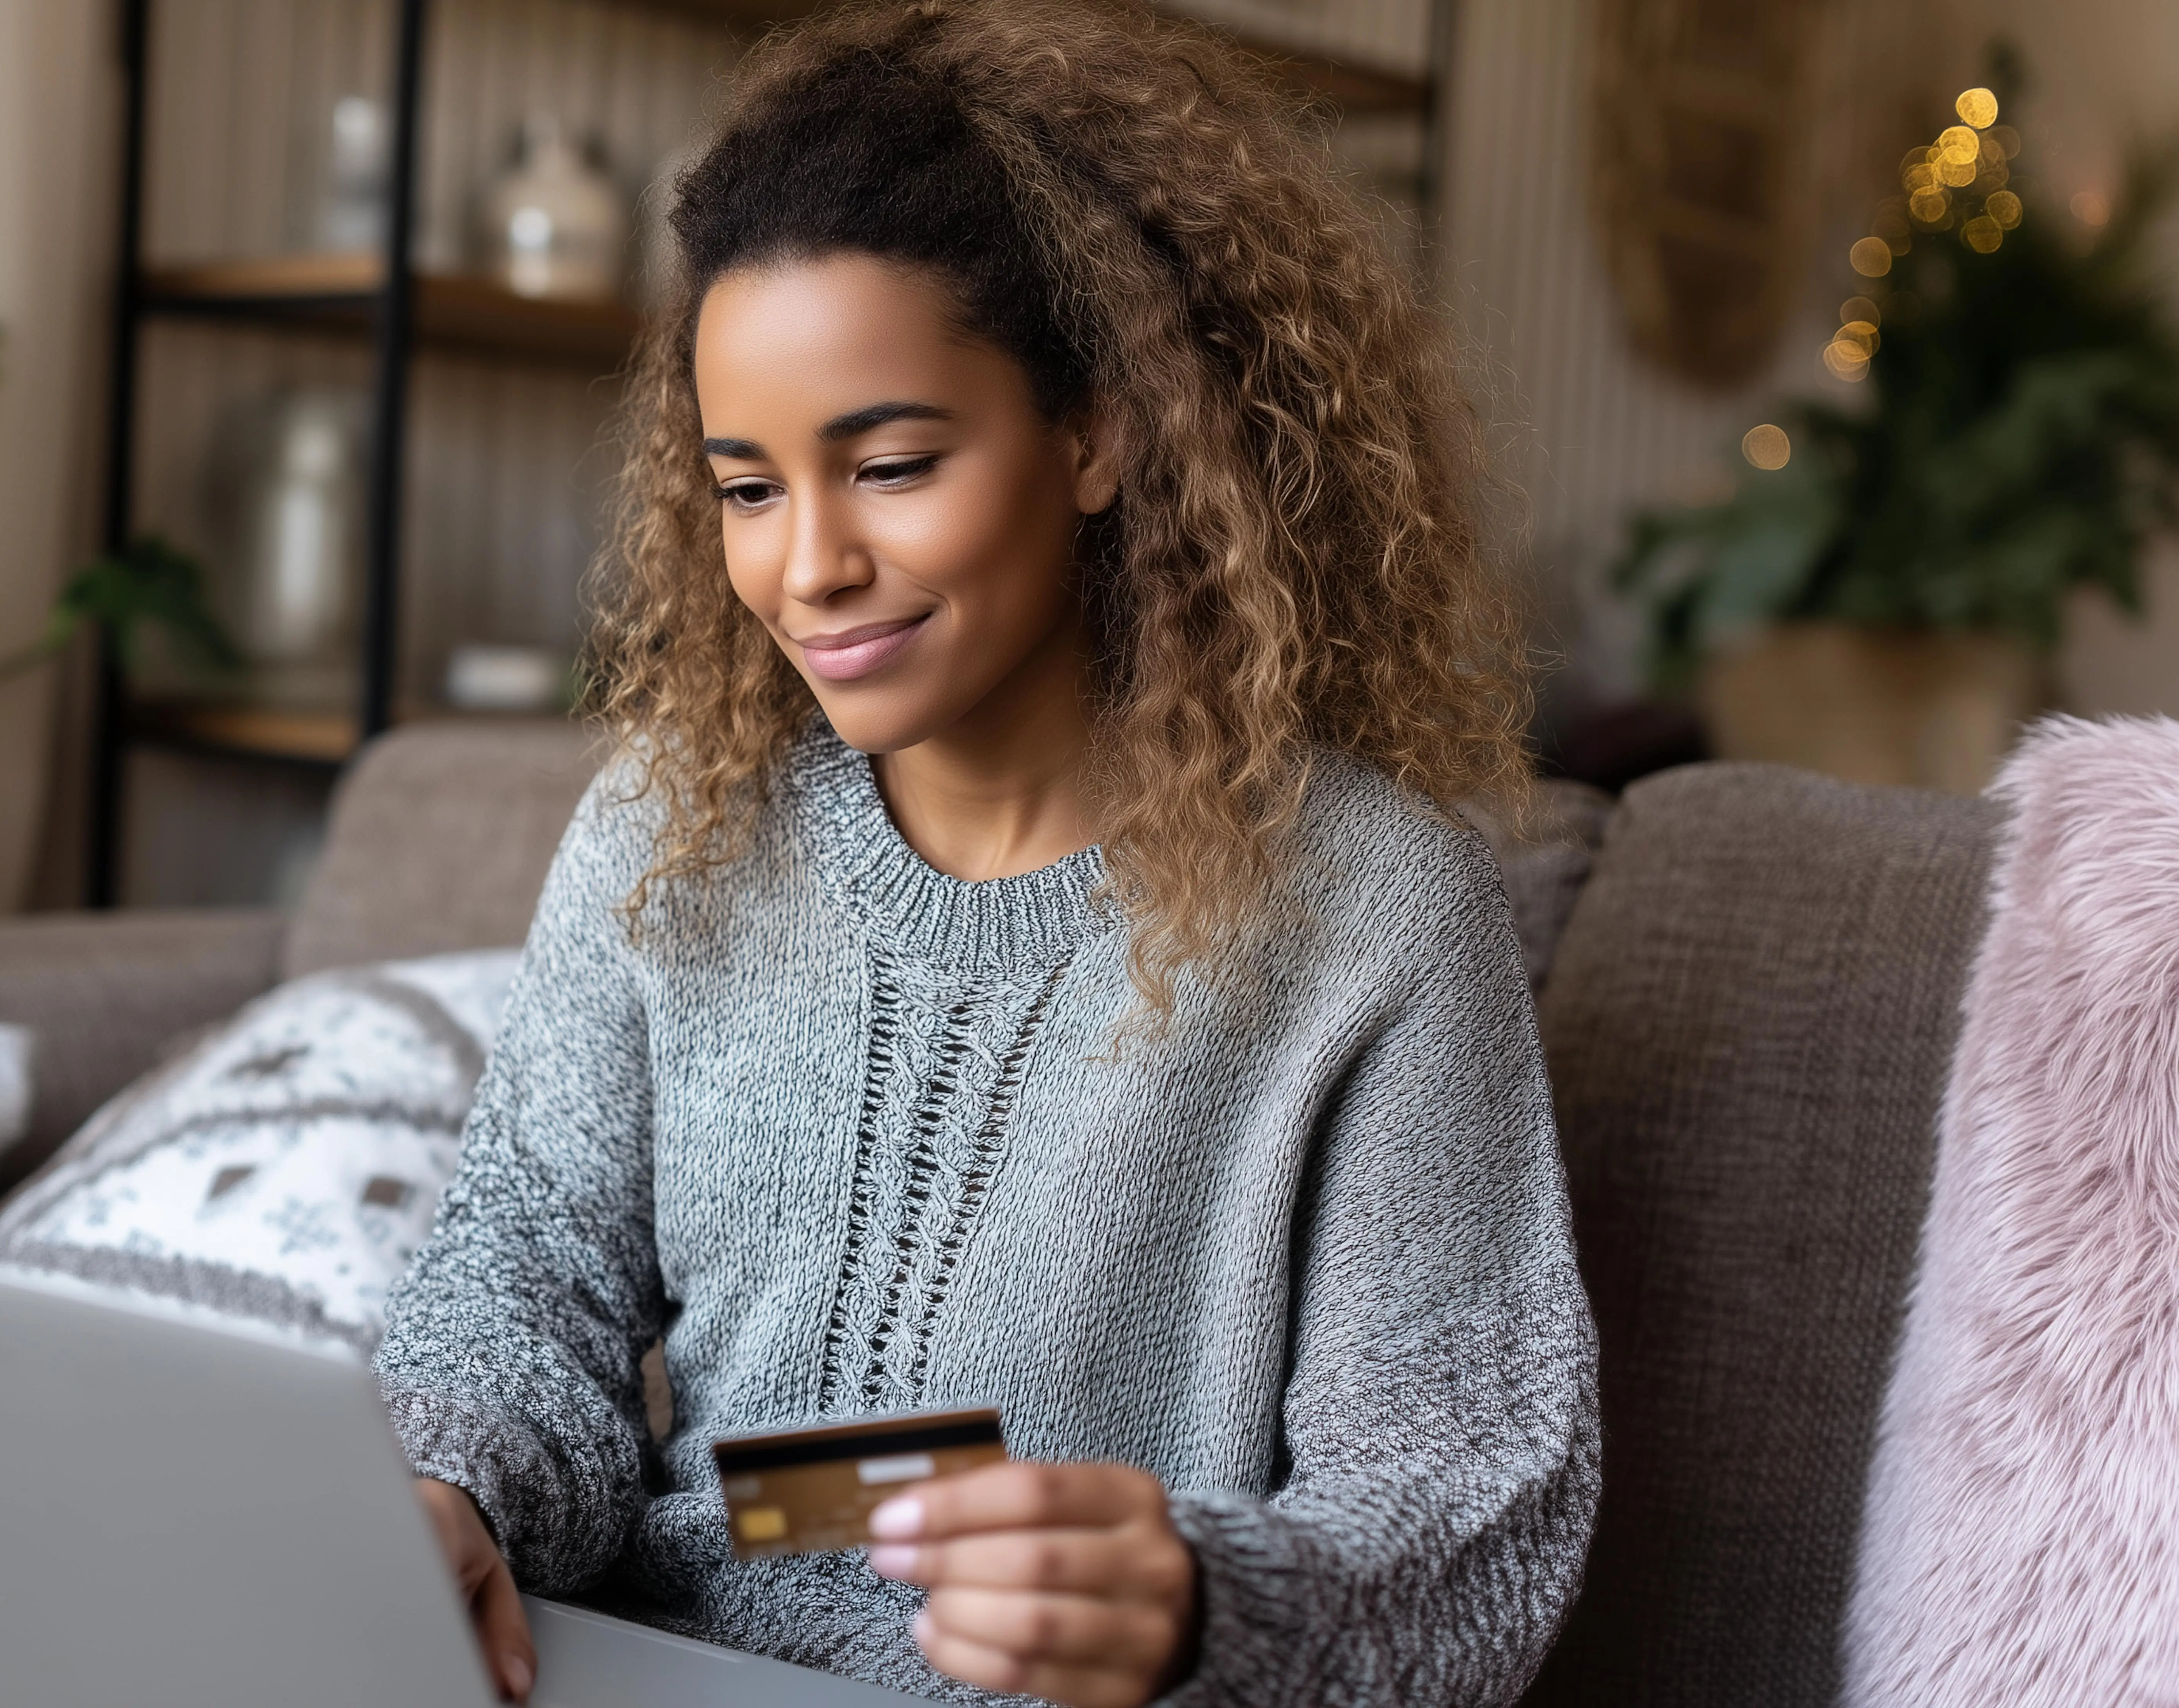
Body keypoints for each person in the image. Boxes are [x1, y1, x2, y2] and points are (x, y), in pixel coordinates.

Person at [377, 2, 1600, 1703]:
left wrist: (1205, 1605)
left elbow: (1468, 1516)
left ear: (1099, 434)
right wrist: (448, 1491)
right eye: (748, 489)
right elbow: (525, 1280)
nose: (809, 566)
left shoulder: (1375, 917)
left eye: (891, 465)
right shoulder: (674, 830)